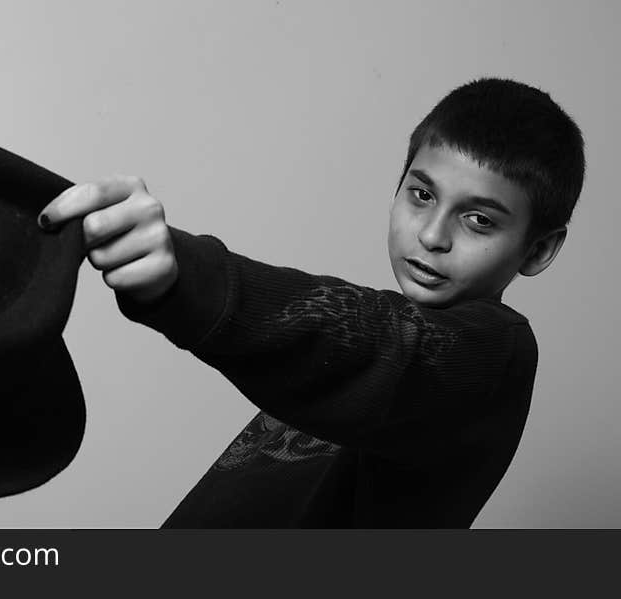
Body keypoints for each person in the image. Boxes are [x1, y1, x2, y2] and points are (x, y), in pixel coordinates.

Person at [37, 77, 585, 528]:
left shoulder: (496, 358)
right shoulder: (332, 369)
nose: (433, 235)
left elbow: (391, 343)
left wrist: (185, 278)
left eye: (478, 220)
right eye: (421, 194)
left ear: (537, 250)